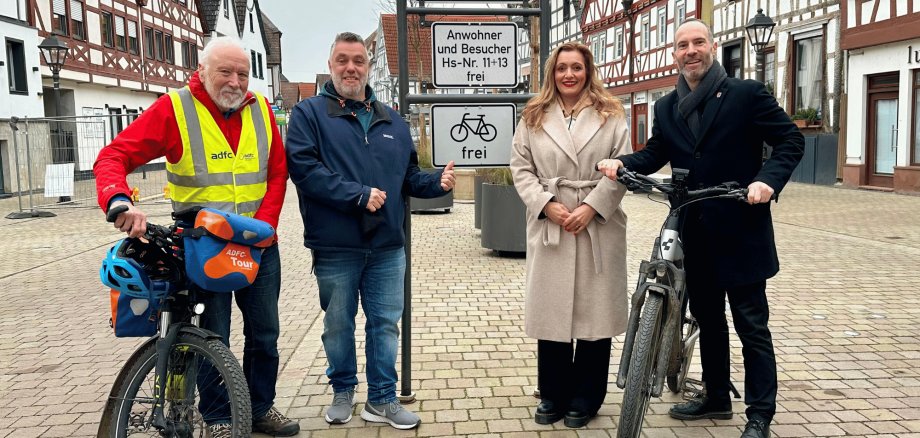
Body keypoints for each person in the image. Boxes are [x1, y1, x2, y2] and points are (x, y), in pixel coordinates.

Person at [598, 20, 804, 438]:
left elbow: (790, 141)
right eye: (681, 46)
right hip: (693, 226)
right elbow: (658, 151)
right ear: (675, 54)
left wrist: (766, 181)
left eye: (697, 43)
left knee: (751, 325)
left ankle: (760, 414)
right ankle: (716, 396)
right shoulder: (667, 105)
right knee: (708, 318)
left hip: (740, 225)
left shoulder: (747, 95)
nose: (690, 51)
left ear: (711, 47)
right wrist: (624, 164)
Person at [93, 36, 300, 437]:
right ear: (202, 71)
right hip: (203, 247)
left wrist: (267, 226)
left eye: (243, 73)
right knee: (212, 336)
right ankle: (221, 417)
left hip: (258, 246)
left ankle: (260, 407)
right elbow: (114, 156)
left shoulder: (261, 112)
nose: (235, 81)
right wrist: (119, 201)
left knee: (266, 334)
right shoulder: (176, 110)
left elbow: (277, 172)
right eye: (225, 71)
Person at [284, 31, 455, 431]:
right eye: (342, 60)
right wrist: (357, 196)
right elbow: (305, 171)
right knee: (338, 324)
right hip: (336, 245)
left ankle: (382, 399)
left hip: (387, 246)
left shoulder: (391, 119)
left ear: (367, 66)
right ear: (331, 66)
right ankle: (343, 390)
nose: (351, 68)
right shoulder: (309, 114)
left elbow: (406, 176)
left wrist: (435, 183)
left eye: (358, 60)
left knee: (384, 324)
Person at [510, 42, 631, 429]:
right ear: (552, 73)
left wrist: (592, 207)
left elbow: (622, 168)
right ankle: (553, 392)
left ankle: (587, 395)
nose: (568, 75)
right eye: (562, 68)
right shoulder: (533, 115)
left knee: (595, 313)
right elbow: (521, 168)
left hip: (598, 223)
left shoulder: (611, 115)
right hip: (552, 224)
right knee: (553, 310)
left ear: (588, 70)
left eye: (576, 67)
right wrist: (546, 204)